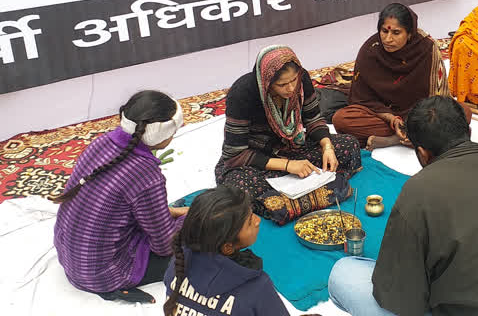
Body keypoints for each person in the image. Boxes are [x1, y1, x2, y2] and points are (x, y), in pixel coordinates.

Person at [328, 96, 478, 316]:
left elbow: (400, 299)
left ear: (422, 153)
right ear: (468, 131)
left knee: (345, 273)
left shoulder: (420, 190)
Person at [53, 90, 187, 304]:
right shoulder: (146, 175)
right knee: (198, 232)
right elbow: (164, 245)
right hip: (102, 274)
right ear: (161, 134)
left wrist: (169, 212)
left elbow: (113, 205)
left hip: (73, 259)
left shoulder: (101, 143)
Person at [215, 45, 361, 225]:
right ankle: (324, 190)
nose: (291, 88)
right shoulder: (243, 93)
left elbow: (314, 120)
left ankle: (285, 202)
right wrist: (288, 165)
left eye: (294, 80)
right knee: (238, 188)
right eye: (282, 84)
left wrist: (327, 147)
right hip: (258, 159)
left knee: (349, 145)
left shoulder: (302, 80)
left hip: (294, 147)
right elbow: (235, 155)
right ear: (266, 82)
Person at [333, 3, 463, 150]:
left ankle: (395, 139)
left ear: (409, 34)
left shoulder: (427, 49)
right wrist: (393, 120)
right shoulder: (371, 50)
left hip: (420, 114)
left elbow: (438, 96)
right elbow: (363, 99)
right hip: (384, 115)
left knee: (462, 112)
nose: (388, 39)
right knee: (342, 119)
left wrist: (419, 119)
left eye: (396, 33)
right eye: (384, 31)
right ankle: (416, 136)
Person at [163, 185, 291, 316]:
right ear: (228, 248)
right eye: (249, 221)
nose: (257, 221)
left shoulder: (177, 263)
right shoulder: (257, 287)